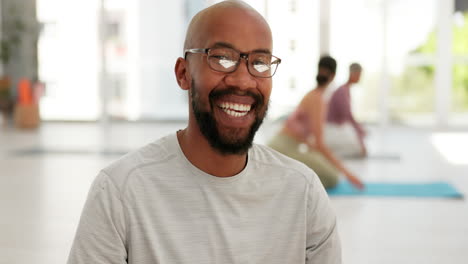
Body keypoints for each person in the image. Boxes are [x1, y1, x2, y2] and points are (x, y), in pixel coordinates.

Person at [67, 1, 342, 263]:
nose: (243, 81)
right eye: (222, 58)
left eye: (259, 62)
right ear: (183, 73)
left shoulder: (302, 193)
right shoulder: (121, 191)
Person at [268, 56, 364, 190]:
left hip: (282, 145)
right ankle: (284, 184)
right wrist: (349, 174)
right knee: (332, 177)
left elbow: (308, 140)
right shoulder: (317, 99)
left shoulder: (312, 95)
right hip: (283, 149)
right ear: (333, 76)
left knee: (329, 169)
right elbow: (320, 144)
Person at [325, 63, 367, 157]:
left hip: (337, 128)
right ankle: (328, 154)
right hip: (331, 130)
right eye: (359, 75)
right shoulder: (342, 91)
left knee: (359, 146)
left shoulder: (345, 90)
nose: (360, 78)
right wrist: (359, 133)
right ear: (353, 74)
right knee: (359, 150)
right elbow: (348, 116)